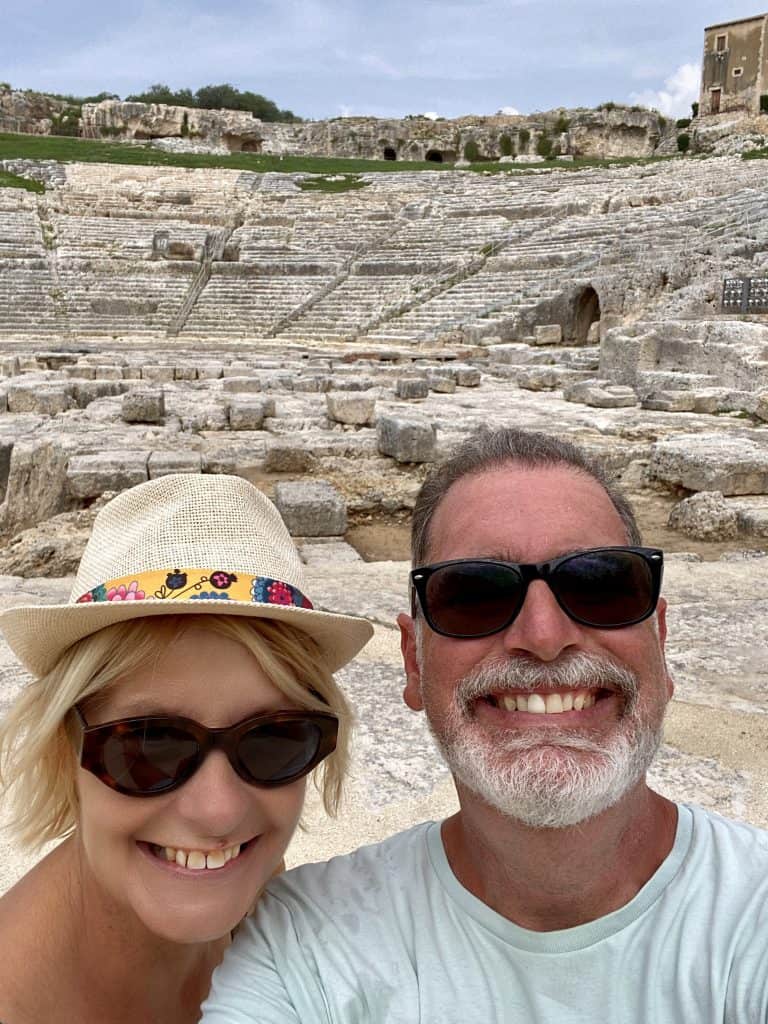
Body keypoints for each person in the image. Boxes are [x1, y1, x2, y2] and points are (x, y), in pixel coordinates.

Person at [201, 426, 768, 1023]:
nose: (545, 639)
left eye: (600, 583)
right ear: (414, 662)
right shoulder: (303, 941)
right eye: (474, 594)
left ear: (660, 638)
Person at [0, 472, 372, 1024]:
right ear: (65, 745)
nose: (220, 811)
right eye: (151, 746)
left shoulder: (248, 884)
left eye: (274, 740)